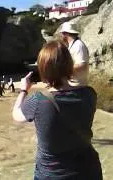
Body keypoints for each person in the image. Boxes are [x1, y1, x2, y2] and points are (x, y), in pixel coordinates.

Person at [12, 41, 102, 180]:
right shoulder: (90, 94)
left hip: (52, 175)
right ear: (70, 65)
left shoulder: (39, 100)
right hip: (89, 171)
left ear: (43, 69)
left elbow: (16, 114)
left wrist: (24, 90)